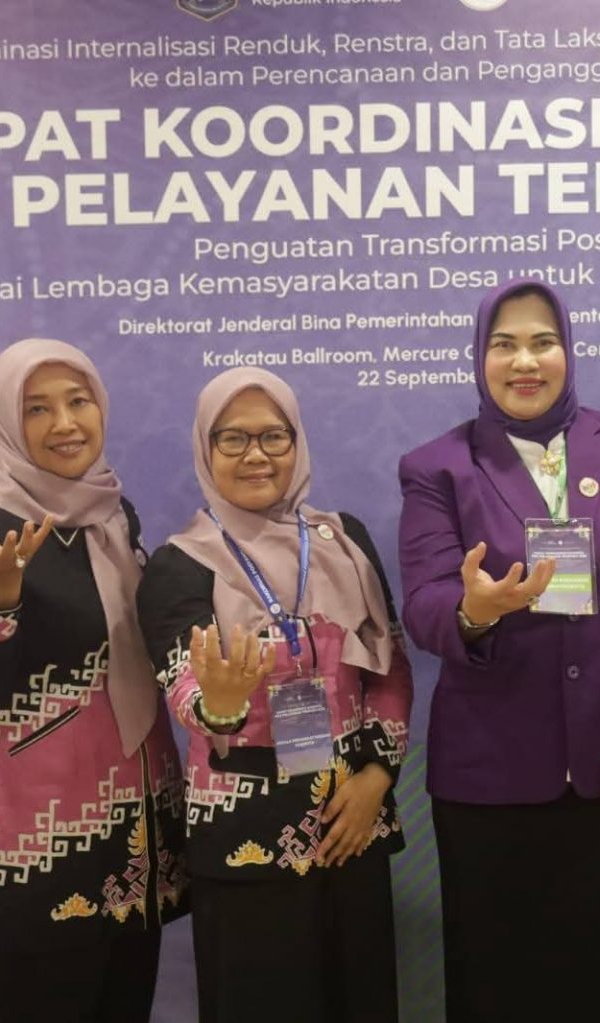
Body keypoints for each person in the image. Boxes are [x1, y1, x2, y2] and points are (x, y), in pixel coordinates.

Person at [397, 279, 600, 1022]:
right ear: (479, 356)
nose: (525, 361)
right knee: (498, 987)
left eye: (543, 342)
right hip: (489, 775)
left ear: (568, 350)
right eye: (504, 344)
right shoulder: (438, 467)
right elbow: (424, 605)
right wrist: (474, 611)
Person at [136, 367, 413, 1023]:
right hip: (248, 843)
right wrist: (222, 704)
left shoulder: (343, 540)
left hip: (352, 823)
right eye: (233, 438)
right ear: (206, 448)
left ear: (297, 442)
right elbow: (187, 691)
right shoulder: (180, 564)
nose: (255, 455)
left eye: (273, 436)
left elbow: (390, 667)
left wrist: (377, 775)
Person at [0, 338, 187, 1023]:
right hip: (40, 828)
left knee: (122, 1003)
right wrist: (0, 594)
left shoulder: (112, 512)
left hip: (134, 813)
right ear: (7, 422)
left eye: (79, 401)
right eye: (37, 408)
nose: (65, 423)